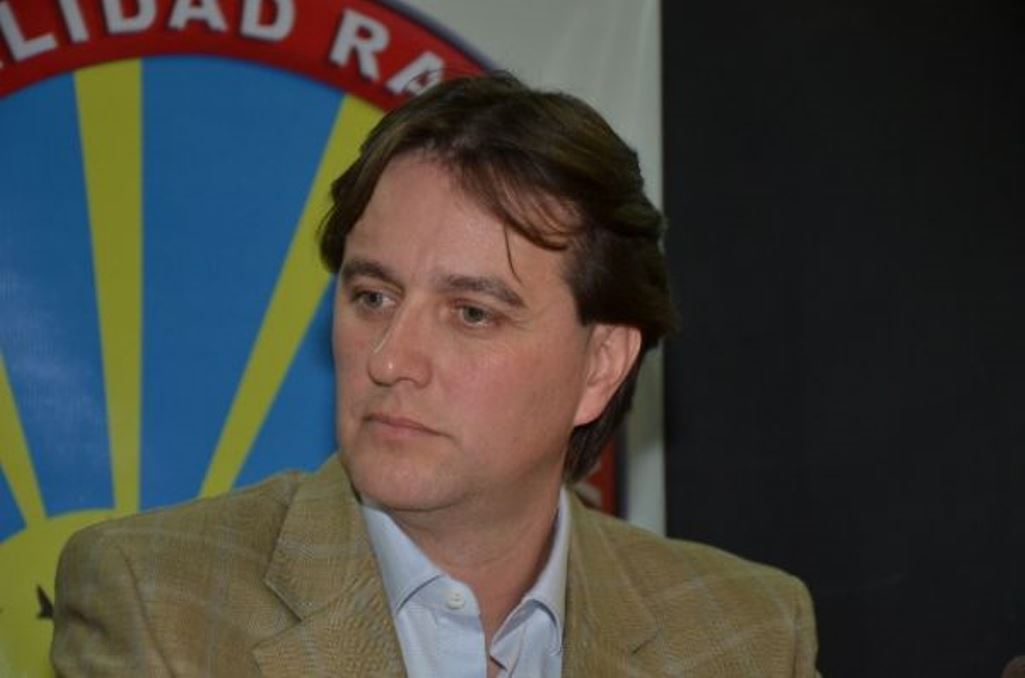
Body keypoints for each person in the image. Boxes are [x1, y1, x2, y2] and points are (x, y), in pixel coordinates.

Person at [51, 73, 818, 677]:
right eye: (372, 297)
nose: (388, 359)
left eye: (471, 313)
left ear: (600, 365)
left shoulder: (746, 634)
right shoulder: (156, 600)